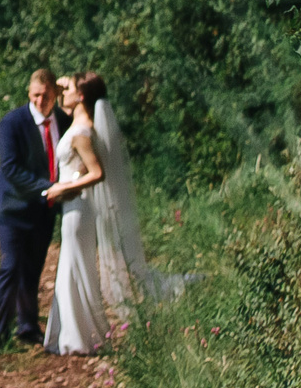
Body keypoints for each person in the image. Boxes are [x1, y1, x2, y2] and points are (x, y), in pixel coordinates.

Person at [42, 72, 194, 355]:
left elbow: (97, 173)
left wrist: (63, 187)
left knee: (76, 268)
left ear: (82, 96)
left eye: (69, 88)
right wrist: (62, 84)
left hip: (78, 206)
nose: (63, 92)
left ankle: (80, 337)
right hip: (73, 206)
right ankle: (73, 334)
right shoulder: (79, 125)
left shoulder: (82, 131)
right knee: (71, 268)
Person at [0, 68, 66, 346]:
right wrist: (48, 187)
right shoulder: (12, 123)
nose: (40, 101)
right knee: (11, 267)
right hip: (13, 208)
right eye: (35, 95)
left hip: (43, 210)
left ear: (55, 94)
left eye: (45, 95)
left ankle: (28, 327)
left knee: (33, 269)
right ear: (29, 93)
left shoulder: (63, 121)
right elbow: (10, 169)